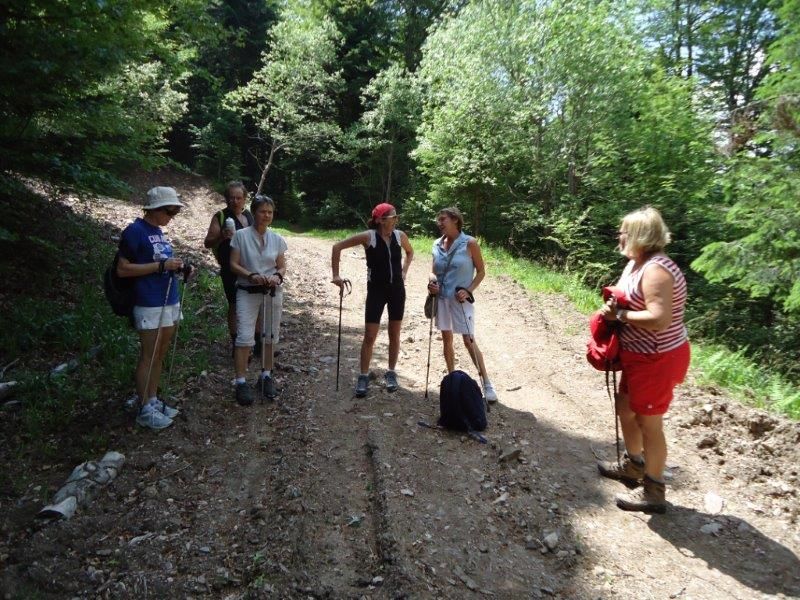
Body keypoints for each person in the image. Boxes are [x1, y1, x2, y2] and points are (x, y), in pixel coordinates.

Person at [596, 206, 690, 514]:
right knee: (625, 409)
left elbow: (659, 319)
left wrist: (619, 314)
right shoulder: (636, 264)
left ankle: (654, 489)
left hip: (657, 357)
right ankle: (633, 466)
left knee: (650, 422)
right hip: (638, 355)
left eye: (624, 231)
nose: (619, 236)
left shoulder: (657, 270)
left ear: (640, 235)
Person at [117, 187, 187, 430]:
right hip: (148, 301)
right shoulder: (135, 231)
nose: (172, 216)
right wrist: (161, 267)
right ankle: (144, 407)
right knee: (149, 353)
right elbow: (123, 269)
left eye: (175, 212)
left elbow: (162, 262)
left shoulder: (158, 232)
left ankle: (154, 399)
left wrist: (177, 267)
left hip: (168, 298)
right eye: (170, 211)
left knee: (160, 353)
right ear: (155, 209)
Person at [331, 203, 414, 397]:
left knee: (395, 333)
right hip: (376, 291)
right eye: (393, 217)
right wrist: (336, 275)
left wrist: (404, 271)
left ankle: (391, 372)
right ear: (380, 220)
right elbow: (337, 247)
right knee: (370, 335)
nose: (396, 220)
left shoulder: (400, 236)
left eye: (396, 217)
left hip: (397, 291)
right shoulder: (369, 236)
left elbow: (410, 252)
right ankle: (363, 375)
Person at [426, 207, 498, 403]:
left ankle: (487, 383)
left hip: (461, 299)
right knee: (446, 339)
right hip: (441, 298)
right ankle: (451, 381)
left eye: (443, 219)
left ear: (455, 220)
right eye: (438, 220)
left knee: (468, 340)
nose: (439, 223)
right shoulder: (436, 244)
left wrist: (469, 290)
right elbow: (433, 270)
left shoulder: (470, 243)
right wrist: (432, 282)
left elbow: (481, 272)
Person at [229, 195, 287, 405]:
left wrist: (277, 276)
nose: (266, 215)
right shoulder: (241, 236)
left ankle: (266, 375)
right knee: (244, 336)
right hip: (247, 289)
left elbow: (281, 265)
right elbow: (233, 264)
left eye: (270, 212)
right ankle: (241, 381)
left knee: (270, 335)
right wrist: (251, 275)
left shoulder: (277, 239)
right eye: (263, 211)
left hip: (272, 291)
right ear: (254, 212)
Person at [203, 181, 255, 354]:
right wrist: (221, 236)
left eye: (238, 198)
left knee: (255, 303)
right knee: (234, 304)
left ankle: (255, 342)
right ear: (226, 198)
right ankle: (236, 343)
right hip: (230, 268)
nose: (235, 201)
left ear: (245, 198)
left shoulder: (249, 215)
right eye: (231, 198)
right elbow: (207, 242)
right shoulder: (220, 216)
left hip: (250, 267)